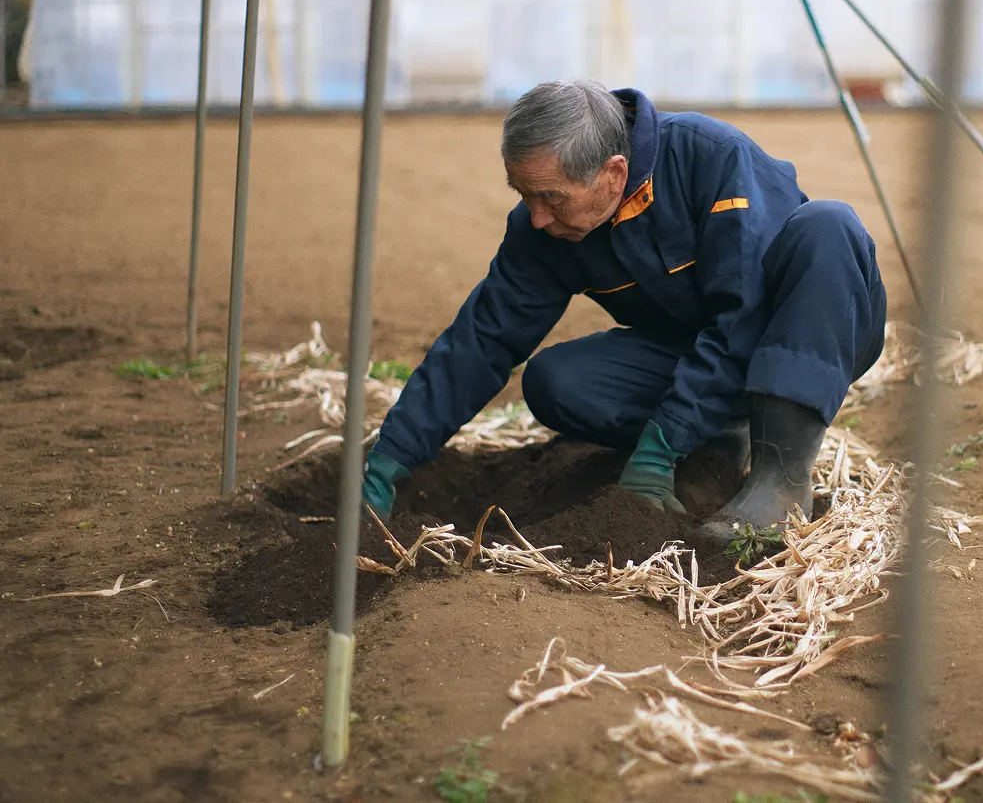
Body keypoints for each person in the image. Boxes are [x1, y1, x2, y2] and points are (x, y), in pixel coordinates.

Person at [361, 80, 886, 544]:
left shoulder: (713, 159)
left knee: (828, 224)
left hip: (801, 332)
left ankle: (780, 477)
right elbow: (484, 337)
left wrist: (662, 443)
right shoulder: (545, 226)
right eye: (523, 195)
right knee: (557, 380)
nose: (537, 216)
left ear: (614, 173)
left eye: (551, 197)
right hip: (699, 343)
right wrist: (392, 456)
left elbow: (743, 316)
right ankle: (721, 438)